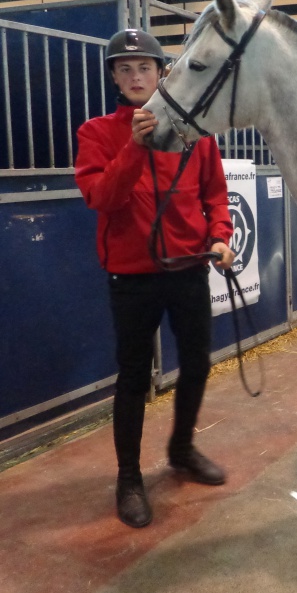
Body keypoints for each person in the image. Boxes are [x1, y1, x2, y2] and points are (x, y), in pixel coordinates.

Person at [75, 29, 235, 528]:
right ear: (114, 78)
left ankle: (182, 448)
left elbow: (214, 193)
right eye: (124, 69)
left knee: (197, 364)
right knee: (132, 378)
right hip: (132, 278)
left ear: (161, 72)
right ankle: (128, 477)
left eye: (144, 67)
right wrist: (135, 147)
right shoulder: (97, 133)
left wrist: (221, 234)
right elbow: (102, 198)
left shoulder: (195, 134)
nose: (135, 76)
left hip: (188, 269)